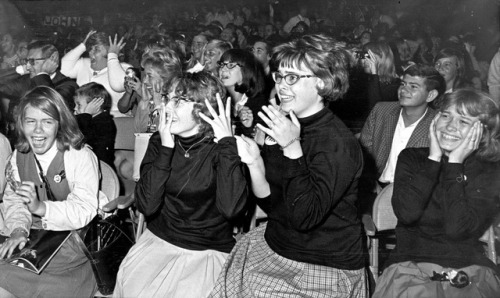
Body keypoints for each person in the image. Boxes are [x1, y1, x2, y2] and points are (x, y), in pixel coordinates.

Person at [210, 34, 367, 297]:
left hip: (322, 262)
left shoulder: (337, 142)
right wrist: (256, 163)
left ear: (322, 82)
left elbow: (304, 217)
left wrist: (292, 148)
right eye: (279, 76)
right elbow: (274, 206)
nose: (281, 85)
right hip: (279, 243)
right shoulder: (284, 124)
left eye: (292, 77)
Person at [113, 71, 249, 297]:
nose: (167, 107)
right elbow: (147, 206)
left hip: (207, 250)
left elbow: (231, 210)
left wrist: (227, 144)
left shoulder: (221, 149)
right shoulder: (160, 140)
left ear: (203, 108)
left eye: (178, 101)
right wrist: (166, 149)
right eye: (167, 98)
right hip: (159, 240)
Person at [373, 89, 500, 298]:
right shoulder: (412, 158)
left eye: (464, 121)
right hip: (409, 268)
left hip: (469, 270)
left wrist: (455, 164)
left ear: (483, 132)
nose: (450, 126)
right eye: (446, 115)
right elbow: (407, 214)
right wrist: (433, 158)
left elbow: (456, 229)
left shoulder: (489, 171)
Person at [0, 86, 102, 297]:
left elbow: (84, 210)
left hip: (73, 245)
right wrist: (19, 229)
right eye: (31, 121)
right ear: (21, 123)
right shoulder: (18, 157)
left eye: (47, 122)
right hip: (33, 239)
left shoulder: (79, 156)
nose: (38, 130)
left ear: (60, 124)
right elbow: (14, 200)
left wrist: (41, 208)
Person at [360, 64, 445, 189]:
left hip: (413, 194)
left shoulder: (438, 124)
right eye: (403, 84)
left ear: (430, 95)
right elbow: (364, 151)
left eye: (413, 86)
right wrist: (371, 182)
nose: (403, 90)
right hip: (376, 188)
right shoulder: (381, 110)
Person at [61, 31, 132, 117]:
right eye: (90, 48)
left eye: (96, 49)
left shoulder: (125, 68)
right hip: (84, 119)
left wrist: (112, 56)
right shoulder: (83, 64)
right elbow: (63, 69)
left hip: (115, 121)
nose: (91, 52)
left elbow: (118, 85)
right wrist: (83, 45)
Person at [218, 49, 268, 137]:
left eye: (230, 65)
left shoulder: (259, 104)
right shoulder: (219, 100)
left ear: (246, 70)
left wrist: (248, 126)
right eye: (222, 65)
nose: (223, 69)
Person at [74, 82, 117, 167]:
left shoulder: (104, 123)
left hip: (100, 166)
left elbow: (80, 137)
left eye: (79, 105)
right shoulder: (85, 119)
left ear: (95, 105)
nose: (75, 108)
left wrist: (86, 114)